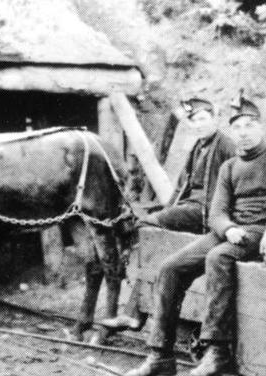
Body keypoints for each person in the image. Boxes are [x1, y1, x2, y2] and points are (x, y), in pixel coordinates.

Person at [124, 91, 266, 376]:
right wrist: (228, 228)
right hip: (232, 231)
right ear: (232, 129)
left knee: (217, 257)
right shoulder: (229, 167)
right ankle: (160, 355)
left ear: (261, 127)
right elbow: (218, 211)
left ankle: (217, 349)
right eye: (238, 127)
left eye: (249, 125)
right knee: (171, 267)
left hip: (261, 232)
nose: (243, 133)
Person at [100, 97, 236, 333]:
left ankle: (135, 313)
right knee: (153, 242)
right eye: (194, 121)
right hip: (190, 207)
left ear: (214, 119)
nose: (199, 125)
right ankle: (133, 313)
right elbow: (182, 185)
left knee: (147, 225)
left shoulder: (226, 146)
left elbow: (236, 184)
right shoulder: (198, 146)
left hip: (206, 212)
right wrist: (168, 210)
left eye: (204, 119)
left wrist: (223, 216)